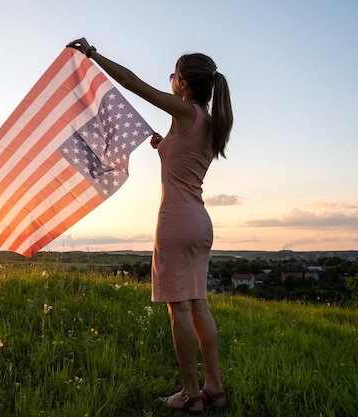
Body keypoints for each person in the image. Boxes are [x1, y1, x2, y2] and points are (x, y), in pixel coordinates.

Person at [67, 38, 233, 414]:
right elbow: (185, 159)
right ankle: (215, 389)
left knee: (179, 311)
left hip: (175, 222)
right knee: (199, 305)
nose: (170, 79)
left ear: (185, 84)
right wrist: (164, 146)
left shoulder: (185, 110)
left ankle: (190, 395)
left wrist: (93, 55)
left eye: (173, 74)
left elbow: (134, 84)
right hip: (199, 224)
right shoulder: (208, 121)